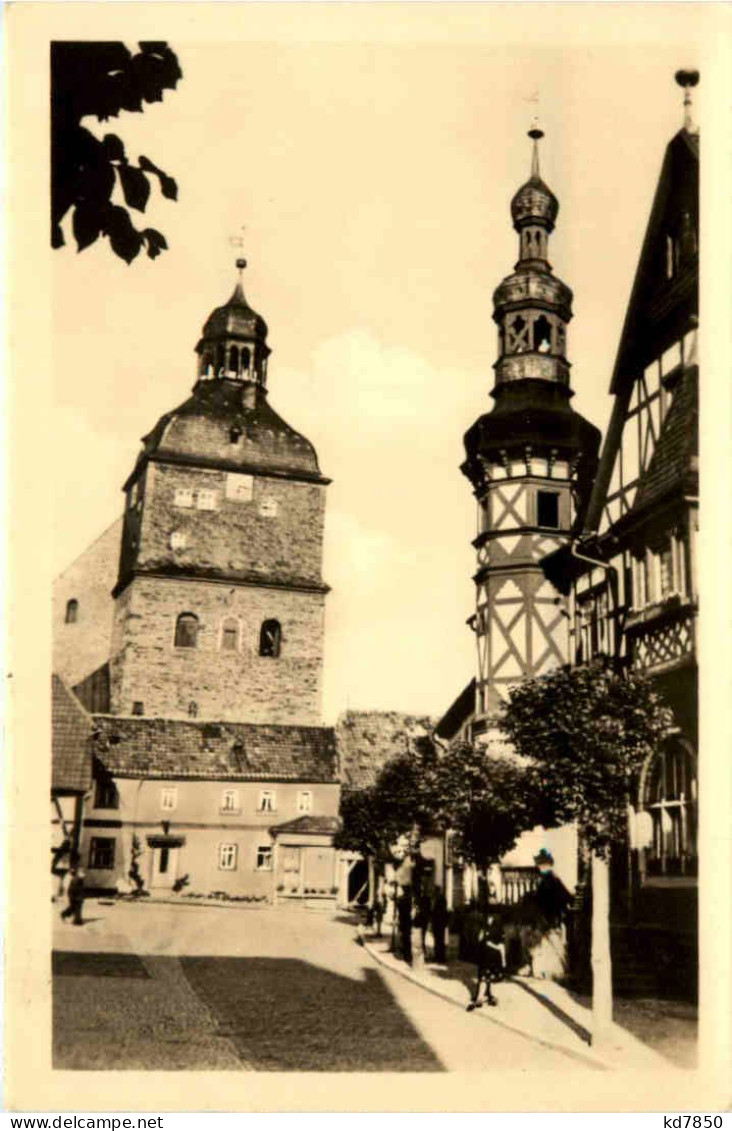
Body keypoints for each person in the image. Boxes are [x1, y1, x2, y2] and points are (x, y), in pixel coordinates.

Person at [467, 911, 505, 1011]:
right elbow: (480, 940)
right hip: (485, 956)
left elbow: (501, 946)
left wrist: (503, 959)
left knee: (487, 976)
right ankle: (483, 996)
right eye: (488, 918)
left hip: (492, 956)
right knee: (484, 976)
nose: (489, 919)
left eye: (491, 917)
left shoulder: (497, 929)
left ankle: (484, 996)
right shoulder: (485, 927)